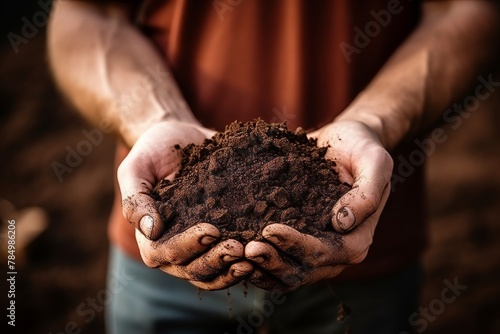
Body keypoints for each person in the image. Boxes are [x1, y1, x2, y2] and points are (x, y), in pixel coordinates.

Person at [47, 0, 500, 333]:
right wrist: (155, 119)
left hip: (361, 249)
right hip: (164, 244)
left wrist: (371, 123)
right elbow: (90, 14)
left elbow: (464, 11)